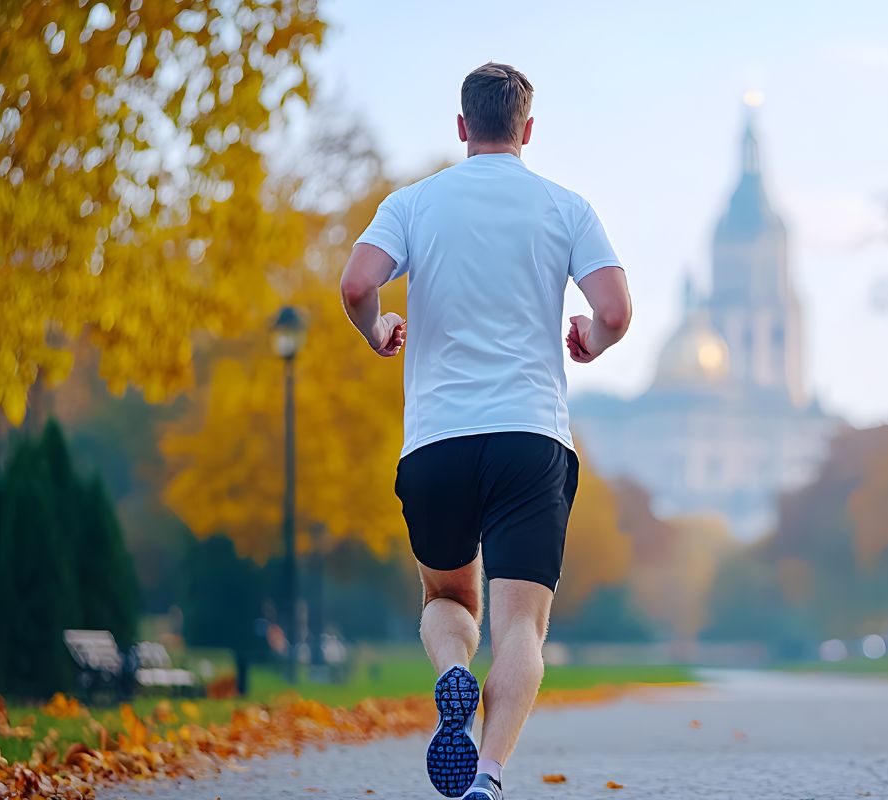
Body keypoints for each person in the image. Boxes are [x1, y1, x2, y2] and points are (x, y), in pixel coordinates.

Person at [339, 62, 631, 800]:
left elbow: (355, 283)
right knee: (523, 627)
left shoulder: (413, 204)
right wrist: (590, 340)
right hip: (531, 438)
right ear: (528, 130)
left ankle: (452, 676)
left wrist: (377, 329)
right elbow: (617, 310)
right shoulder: (565, 207)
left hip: (437, 440)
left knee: (448, 602)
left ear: (462, 126)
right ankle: (488, 777)